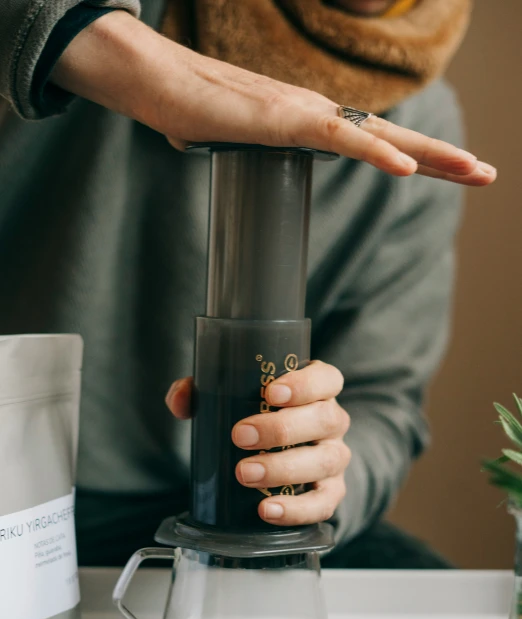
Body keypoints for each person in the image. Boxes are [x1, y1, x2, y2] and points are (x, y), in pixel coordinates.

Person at [0, 0, 495, 568]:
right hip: (15, 477)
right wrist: (154, 70)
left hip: (224, 497)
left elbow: (385, 399)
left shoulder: (422, 125)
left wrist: (323, 476)